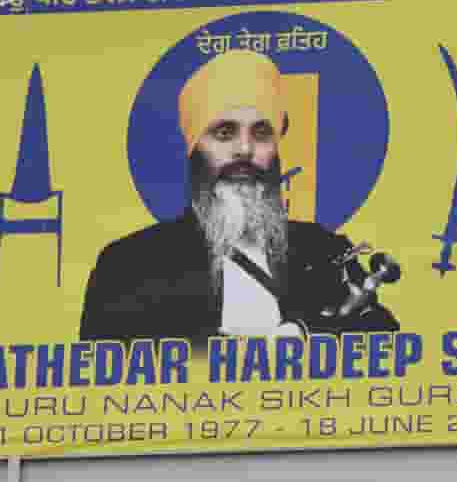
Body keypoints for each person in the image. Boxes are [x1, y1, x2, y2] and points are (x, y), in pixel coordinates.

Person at [80, 48, 399, 343]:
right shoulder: (130, 265)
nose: (244, 150)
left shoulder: (323, 250)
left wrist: (313, 332)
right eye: (224, 133)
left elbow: (385, 341)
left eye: (261, 133)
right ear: (195, 150)